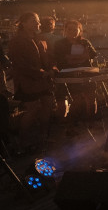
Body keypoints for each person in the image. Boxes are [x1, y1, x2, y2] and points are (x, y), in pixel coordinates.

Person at [7, 12, 57, 153]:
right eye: (34, 20)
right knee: (32, 109)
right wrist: (42, 73)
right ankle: (23, 142)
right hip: (27, 81)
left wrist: (53, 68)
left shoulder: (39, 38)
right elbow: (20, 65)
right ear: (23, 23)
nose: (38, 23)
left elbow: (49, 56)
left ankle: (42, 138)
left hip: (43, 80)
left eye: (38, 20)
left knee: (47, 105)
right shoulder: (17, 41)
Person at [53, 19, 98, 134]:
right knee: (76, 100)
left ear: (80, 30)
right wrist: (83, 57)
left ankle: (91, 122)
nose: (72, 32)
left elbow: (93, 54)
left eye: (75, 29)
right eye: (69, 29)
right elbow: (62, 59)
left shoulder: (85, 42)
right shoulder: (59, 44)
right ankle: (70, 124)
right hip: (69, 75)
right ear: (64, 30)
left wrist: (74, 58)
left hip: (86, 73)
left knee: (91, 98)